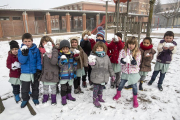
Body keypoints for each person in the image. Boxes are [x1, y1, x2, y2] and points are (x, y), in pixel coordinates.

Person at [113, 36, 141, 108]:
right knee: (121, 83)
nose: (131, 45)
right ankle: (118, 94)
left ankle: (135, 99)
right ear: (127, 44)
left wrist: (135, 63)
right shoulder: (123, 51)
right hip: (125, 71)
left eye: (132, 44)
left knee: (134, 86)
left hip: (133, 72)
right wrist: (122, 61)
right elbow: (119, 60)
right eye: (129, 44)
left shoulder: (137, 52)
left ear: (135, 44)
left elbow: (138, 62)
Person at [18, 33, 42, 108]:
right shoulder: (20, 50)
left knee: (35, 86)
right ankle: (25, 99)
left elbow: (38, 60)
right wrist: (24, 54)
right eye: (25, 41)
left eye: (29, 41)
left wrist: (39, 70)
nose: (27, 43)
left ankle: (35, 97)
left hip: (34, 72)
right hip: (25, 72)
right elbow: (21, 61)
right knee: (25, 88)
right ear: (22, 42)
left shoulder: (36, 50)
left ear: (32, 41)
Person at [89, 41, 115, 108]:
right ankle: (95, 99)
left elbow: (109, 66)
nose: (99, 49)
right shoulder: (93, 57)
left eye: (101, 48)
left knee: (101, 88)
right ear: (95, 49)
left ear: (104, 49)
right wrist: (93, 63)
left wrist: (112, 75)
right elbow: (93, 67)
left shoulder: (106, 57)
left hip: (104, 76)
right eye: (97, 48)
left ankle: (100, 97)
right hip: (96, 76)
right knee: (96, 89)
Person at [39, 36, 59, 105]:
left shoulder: (54, 50)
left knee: (53, 87)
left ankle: (53, 98)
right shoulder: (41, 51)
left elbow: (54, 62)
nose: (45, 44)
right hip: (45, 73)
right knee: (45, 87)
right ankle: (45, 97)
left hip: (53, 72)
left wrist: (49, 54)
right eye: (43, 42)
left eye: (46, 42)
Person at [58, 40, 77, 105]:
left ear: (69, 48)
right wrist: (62, 61)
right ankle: (63, 98)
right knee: (63, 87)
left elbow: (74, 63)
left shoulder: (71, 55)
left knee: (69, 86)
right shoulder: (60, 56)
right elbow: (59, 65)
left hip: (70, 75)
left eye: (67, 49)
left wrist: (74, 72)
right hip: (63, 75)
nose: (65, 50)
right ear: (61, 49)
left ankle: (69, 95)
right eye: (63, 49)